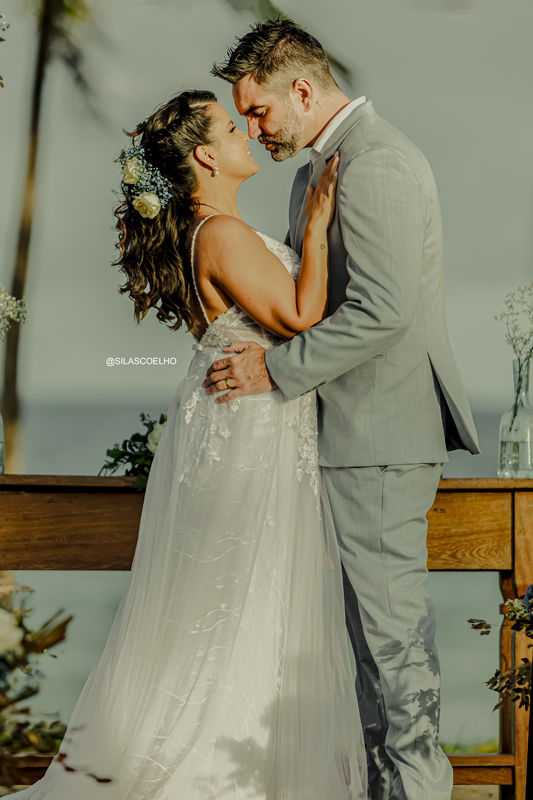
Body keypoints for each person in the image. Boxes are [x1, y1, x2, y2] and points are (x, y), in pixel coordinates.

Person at [10, 89, 367, 800]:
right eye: (233, 127)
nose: (244, 134)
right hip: (250, 432)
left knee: (238, 599)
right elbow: (300, 315)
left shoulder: (213, 229)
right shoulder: (222, 234)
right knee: (244, 597)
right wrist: (321, 221)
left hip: (244, 423)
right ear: (206, 153)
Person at [205, 18, 480, 800]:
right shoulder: (317, 172)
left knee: (390, 641)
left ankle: (417, 792)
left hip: (380, 437)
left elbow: (384, 311)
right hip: (340, 437)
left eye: (257, 112)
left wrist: (274, 370)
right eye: (242, 118)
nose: (254, 131)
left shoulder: (378, 161)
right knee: (360, 644)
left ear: (301, 88)